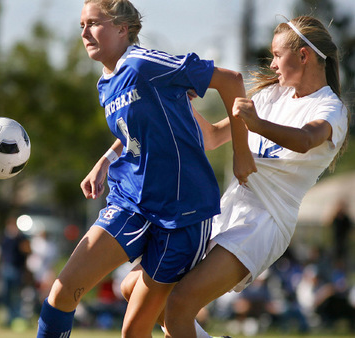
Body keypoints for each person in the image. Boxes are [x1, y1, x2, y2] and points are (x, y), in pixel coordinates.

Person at [36, 1, 255, 337]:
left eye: (93, 23)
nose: (84, 32)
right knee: (61, 293)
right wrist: (104, 162)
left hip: (182, 214)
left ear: (123, 29)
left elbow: (231, 80)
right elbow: (136, 131)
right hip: (130, 202)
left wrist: (241, 153)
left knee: (135, 331)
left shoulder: (144, 64)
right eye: (81, 24)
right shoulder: (104, 84)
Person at [123, 15, 349, 338]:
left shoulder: (331, 108)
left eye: (276, 55)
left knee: (179, 307)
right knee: (133, 287)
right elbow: (214, 137)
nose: (271, 65)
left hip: (264, 222)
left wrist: (257, 124)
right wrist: (179, 103)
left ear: (303, 55)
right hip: (228, 208)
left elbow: (305, 140)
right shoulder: (273, 96)